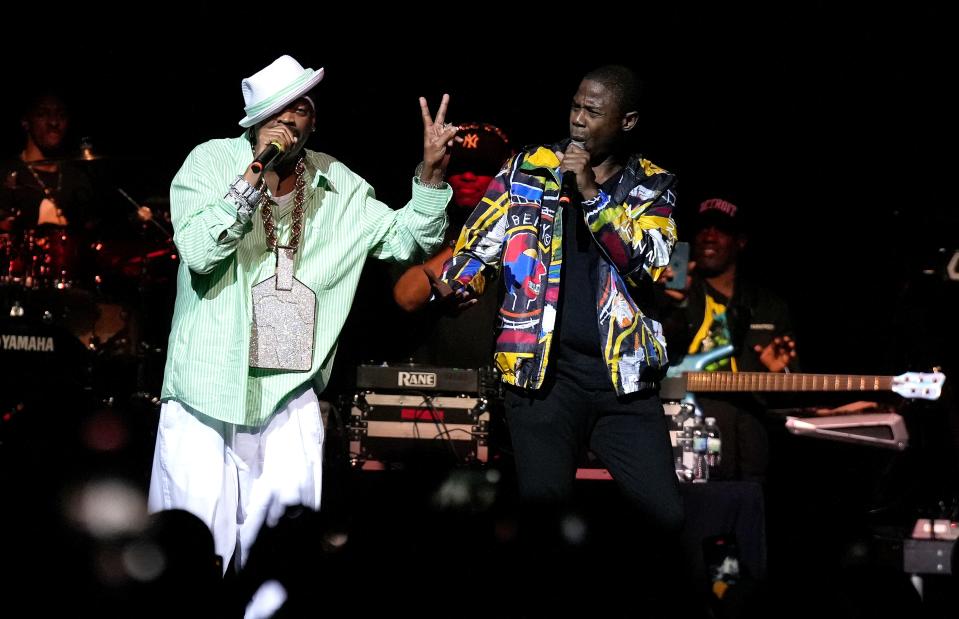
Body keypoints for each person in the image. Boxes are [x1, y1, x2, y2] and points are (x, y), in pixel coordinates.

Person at [147, 55, 457, 573]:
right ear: (254, 122)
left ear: (314, 122)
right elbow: (200, 252)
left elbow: (408, 241)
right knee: (189, 558)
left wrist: (429, 176)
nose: (290, 119)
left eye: (303, 108)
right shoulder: (208, 163)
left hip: (288, 396)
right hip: (205, 392)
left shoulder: (341, 186)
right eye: (278, 110)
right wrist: (251, 178)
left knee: (282, 562)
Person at [435, 65, 683, 529]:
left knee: (666, 519)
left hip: (623, 384)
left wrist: (590, 192)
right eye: (575, 106)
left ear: (626, 121)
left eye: (593, 111)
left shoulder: (652, 184)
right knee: (543, 528)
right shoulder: (530, 167)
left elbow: (647, 265)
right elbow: (478, 247)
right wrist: (459, 284)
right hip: (542, 378)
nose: (578, 120)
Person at [659, 197, 798, 481]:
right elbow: (655, 353)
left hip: (748, 432)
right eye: (702, 228)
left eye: (720, 229)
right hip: (684, 423)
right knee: (693, 506)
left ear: (741, 242)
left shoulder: (768, 305)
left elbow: (790, 390)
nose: (709, 235)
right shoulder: (674, 292)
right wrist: (672, 306)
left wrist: (779, 372)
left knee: (746, 510)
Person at [392, 122, 511, 368]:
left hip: (501, 379)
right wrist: (469, 243)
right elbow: (407, 295)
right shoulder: (427, 228)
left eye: (481, 169)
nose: (468, 176)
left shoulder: (520, 231)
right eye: (461, 168)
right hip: (434, 381)